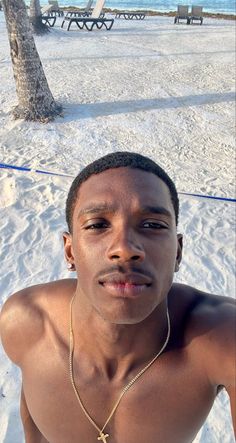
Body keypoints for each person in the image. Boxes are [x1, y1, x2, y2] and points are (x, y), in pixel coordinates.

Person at [0, 151, 235, 443]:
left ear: (177, 252)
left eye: (152, 224)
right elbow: (33, 428)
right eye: (98, 224)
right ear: (70, 251)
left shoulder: (223, 337)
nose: (124, 248)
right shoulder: (25, 322)